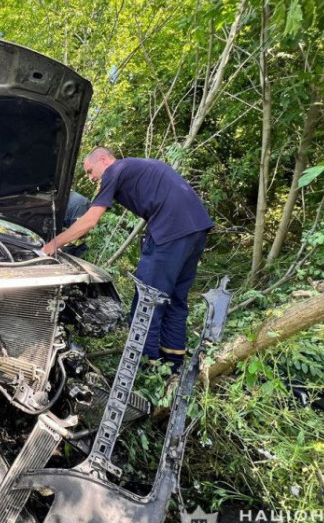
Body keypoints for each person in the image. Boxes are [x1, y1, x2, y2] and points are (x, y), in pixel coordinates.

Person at [43, 147, 214, 371]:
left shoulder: (115, 170)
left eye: (90, 170)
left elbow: (90, 220)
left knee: (146, 301)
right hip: (197, 229)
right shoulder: (139, 166)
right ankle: (172, 365)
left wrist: (53, 244)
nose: (91, 177)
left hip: (170, 231)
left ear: (103, 160)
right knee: (175, 300)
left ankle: (146, 367)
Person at [62, 190, 91, 258]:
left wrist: (60, 248)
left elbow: (78, 234)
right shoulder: (64, 200)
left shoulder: (78, 204)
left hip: (80, 248)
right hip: (70, 242)